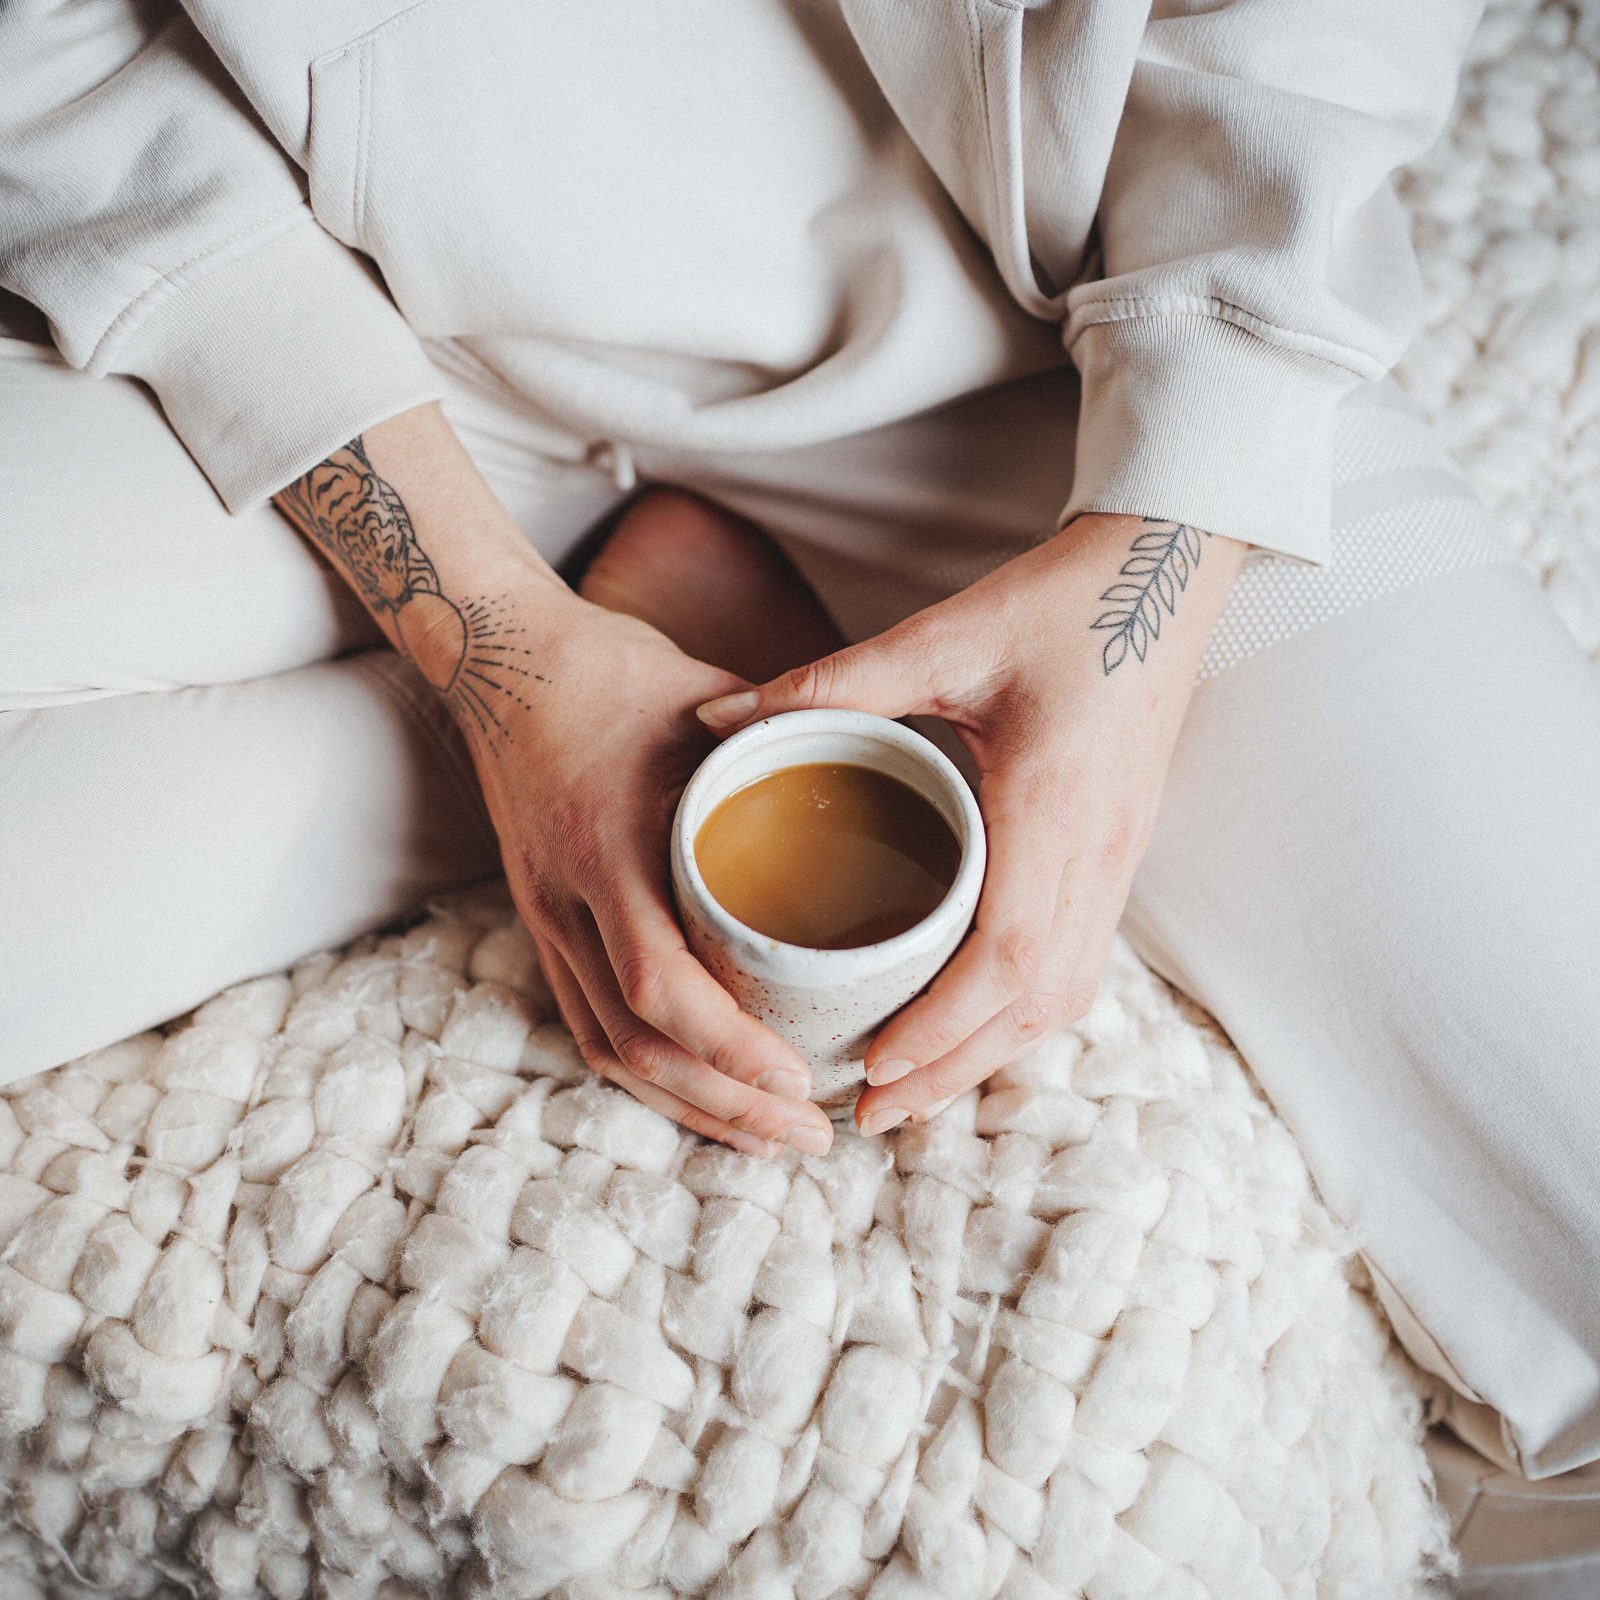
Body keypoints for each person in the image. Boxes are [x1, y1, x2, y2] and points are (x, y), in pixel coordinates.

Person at [2, 0, 1596, 1537]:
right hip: (330, 321)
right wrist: (491, 653)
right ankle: (611, 677)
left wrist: (1152, 566)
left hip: (1056, 347)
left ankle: (647, 658)